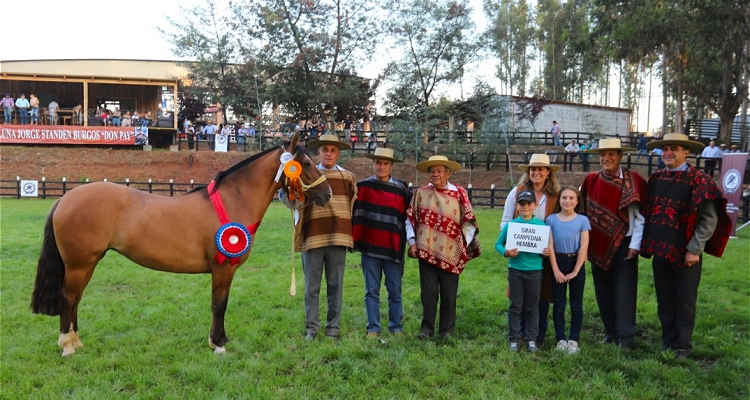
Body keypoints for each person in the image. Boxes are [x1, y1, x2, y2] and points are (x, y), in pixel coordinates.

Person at [642, 133, 731, 359]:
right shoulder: (656, 179)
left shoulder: (699, 180)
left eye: (674, 148)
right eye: (665, 149)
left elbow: (709, 219)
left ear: (686, 152)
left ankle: (683, 346)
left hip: (686, 253)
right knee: (665, 299)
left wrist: (695, 248)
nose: (668, 153)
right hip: (662, 250)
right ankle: (668, 340)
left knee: (685, 300)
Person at [280, 134, 356, 341]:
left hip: (338, 237)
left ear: (338, 153)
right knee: (312, 288)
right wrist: (289, 196)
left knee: (336, 286)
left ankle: (333, 328)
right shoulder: (304, 174)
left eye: (333, 150)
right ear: (318, 153)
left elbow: (352, 206)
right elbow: (289, 200)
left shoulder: (348, 177)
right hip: (312, 236)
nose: (328, 154)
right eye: (324, 150)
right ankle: (311, 328)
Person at [580, 138, 645, 351]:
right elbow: (582, 213)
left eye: (611, 154)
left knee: (625, 292)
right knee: (603, 290)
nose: (606, 158)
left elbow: (640, 216)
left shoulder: (632, 180)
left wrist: (635, 244)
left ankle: (626, 338)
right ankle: (610, 331)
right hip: (597, 244)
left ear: (620, 156)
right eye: (602, 155)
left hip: (625, 244)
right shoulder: (591, 180)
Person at [407, 155, 481, 339]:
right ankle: (427, 329)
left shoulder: (459, 193)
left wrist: (462, 244)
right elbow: (409, 219)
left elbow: (470, 221)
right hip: (426, 249)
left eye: (439, 171)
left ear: (447, 173)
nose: (435, 174)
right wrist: (412, 242)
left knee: (449, 293)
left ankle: (447, 331)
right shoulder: (420, 194)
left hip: (451, 251)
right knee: (429, 292)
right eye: (432, 171)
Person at [501, 153, 560, 348]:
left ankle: (536, 335)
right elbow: (506, 220)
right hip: (520, 253)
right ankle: (517, 334)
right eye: (533, 169)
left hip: (543, 252)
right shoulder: (517, 192)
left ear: (548, 172)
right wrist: (511, 242)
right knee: (519, 297)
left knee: (541, 293)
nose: (536, 172)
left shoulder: (555, 196)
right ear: (528, 172)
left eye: (540, 169)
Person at [352, 148, 412, 338]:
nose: (381, 166)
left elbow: (410, 218)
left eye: (385, 163)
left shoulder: (402, 191)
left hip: (394, 248)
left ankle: (396, 327)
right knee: (372, 291)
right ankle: (373, 328)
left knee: (395, 291)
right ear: (373, 164)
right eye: (378, 162)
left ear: (391, 166)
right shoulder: (363, 188)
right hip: (370, 248)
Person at [496, 190, 552, 353]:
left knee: (532, 307)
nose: (525, 207)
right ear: (517, 206)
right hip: (516, 271)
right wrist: (506, 252)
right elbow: (498, 244)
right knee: (515, 306)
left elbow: (544, 249)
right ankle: (514, 338)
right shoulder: (511, 225)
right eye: (522, 204)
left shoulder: (542, 227)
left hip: (535, 271)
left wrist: (546, 252)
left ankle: (531, 339)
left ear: (535, 206)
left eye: (529, 204)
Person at [546, 186, 591, 354]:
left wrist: (576, 271)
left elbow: (583, 248)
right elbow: (549, 245)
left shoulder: (582, 220)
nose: (567, 201)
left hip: (576, 262)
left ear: (577, 201)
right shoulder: (551, 220)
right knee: (559, 304)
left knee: (576, 303)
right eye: (564, 197)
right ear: (559, 200)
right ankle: (560, 338)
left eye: (571, 198)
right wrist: (556, 270)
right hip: (557, 260)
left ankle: (573, 339)